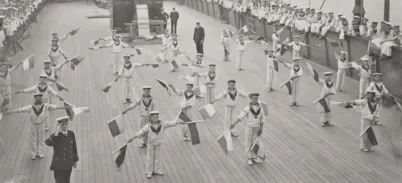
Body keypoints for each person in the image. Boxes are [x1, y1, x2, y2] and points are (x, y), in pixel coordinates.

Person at [4, 93, 69, 159]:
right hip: (33, 125)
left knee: (41, 139)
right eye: (37, 98)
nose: (38, 100)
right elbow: (21, 109)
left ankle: (41, 153)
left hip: (41, 124)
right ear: (35, 99)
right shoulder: (30, 107)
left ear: (41, 98)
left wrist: (64, 107)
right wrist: (11, 111)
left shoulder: (45, 106)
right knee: (33, 139)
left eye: (39, 98)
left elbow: (55, 107)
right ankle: (33, 154)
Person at [127, 111, 185, 178]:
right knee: (149, 158)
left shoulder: (162, 124)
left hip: (159, 144)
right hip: (151, 145)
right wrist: (132, 138)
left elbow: (171, 123)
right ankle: (149, 172)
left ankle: (157, 170)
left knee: (158, 157)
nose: (156, 119)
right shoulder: (148, 126)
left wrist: (179, 122)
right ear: (151, 118)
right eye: (155, 117)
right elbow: (141, 132)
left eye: (157, 117)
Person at [230, 93, 266, 165]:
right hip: (249, 127)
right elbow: (241, 116)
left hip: (257, 127)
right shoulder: (248, 108)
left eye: (256, 98)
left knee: (256, 143)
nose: (255, 100)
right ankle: (249, 157)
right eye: (254, 98)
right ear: (251, 99)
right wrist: (233, 124)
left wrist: (261, 128)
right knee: (248, 143)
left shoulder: (260, 108)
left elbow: (262, 119)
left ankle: (254, 156)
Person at [45, 116, 79, 183]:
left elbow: (74, 146)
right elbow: (48, 142)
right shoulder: (55, 135)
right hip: (59, 165)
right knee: (59, 181)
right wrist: (56, 134)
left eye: (66, 124)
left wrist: (75, 160)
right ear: (58, 125)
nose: (64, 126)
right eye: (62, 124)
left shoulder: (71, 133)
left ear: (68, 124)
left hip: (68, 163)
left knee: (67, 180)